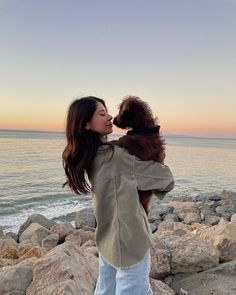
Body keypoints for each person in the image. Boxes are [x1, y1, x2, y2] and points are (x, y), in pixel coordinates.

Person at [62, 96, 174, 295]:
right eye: (102, 113)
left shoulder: (89, 155)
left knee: (105, 289)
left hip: (107, 239)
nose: (110, 117)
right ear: (86, 124)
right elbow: (166, 179)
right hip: (129, 242)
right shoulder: (117, 156)